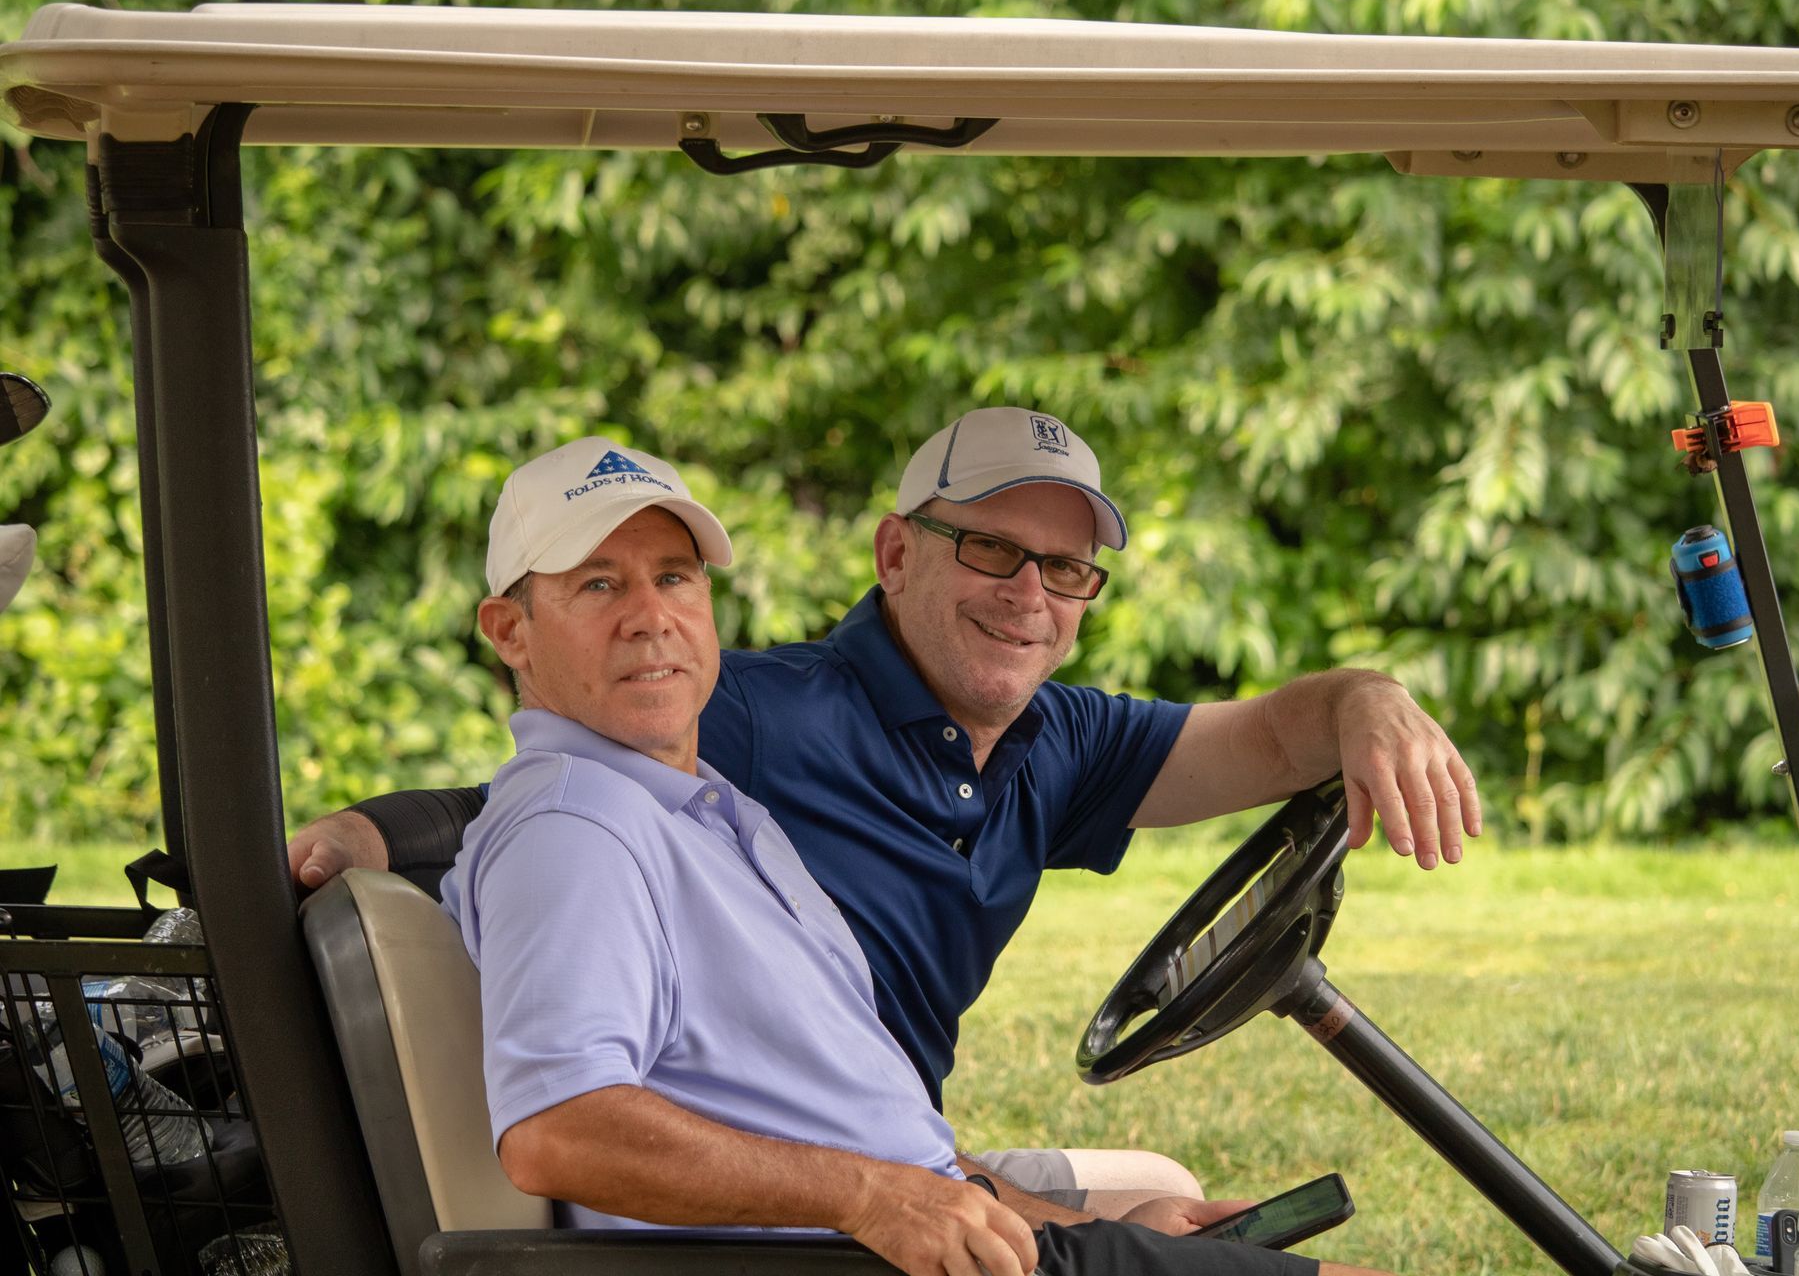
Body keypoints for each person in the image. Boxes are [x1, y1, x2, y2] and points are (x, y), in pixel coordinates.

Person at [291, 408, 1479, 1207]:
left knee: (1164, 1192)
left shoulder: (1062, 738)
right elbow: (540, 798)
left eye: (1065, 568)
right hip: (817, 1195)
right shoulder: (755, 711)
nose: (1029, 594)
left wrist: (1367, 700)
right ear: (896, 553)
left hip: (909, 1168)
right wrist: (359, 834)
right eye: (991, 550)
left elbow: (1269, 737)